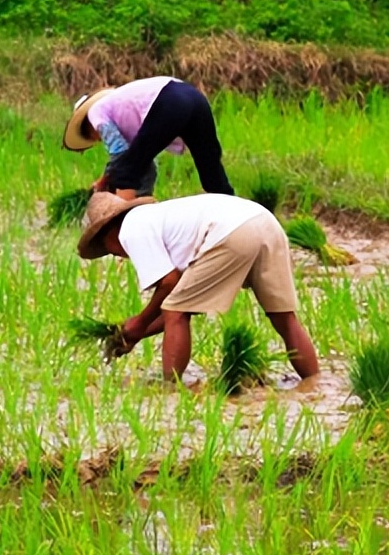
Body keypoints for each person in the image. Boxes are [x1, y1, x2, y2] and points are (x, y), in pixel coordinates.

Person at [76, 191, 319, 382]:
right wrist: (133, 333)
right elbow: (183, 302)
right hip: (265, 222)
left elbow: (171, 294)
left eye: (108, 250)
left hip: (231, 232)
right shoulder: (161, 220)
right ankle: (313, 385)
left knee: (174, 310)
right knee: (284, 318)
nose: (118, 255)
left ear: (108, 236)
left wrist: (139, 322)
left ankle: (171, 389)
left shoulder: (131, 230)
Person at [63, 76, 234, 200]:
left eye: (96, 137)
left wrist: (104, 182)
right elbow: (142, 160)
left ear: (89, 127)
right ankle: (236, 215)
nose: (100, 138)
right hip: (195, 98)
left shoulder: (95, 112)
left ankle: (124, 224)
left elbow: (120, 154)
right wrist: (106, 178)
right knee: (212, 173)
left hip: (168, 100)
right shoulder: (120, 108)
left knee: (125, 175)